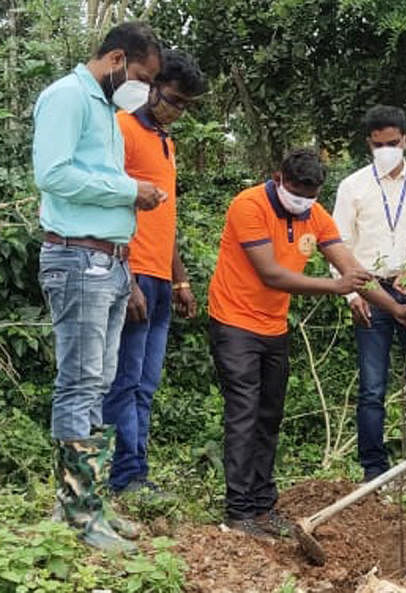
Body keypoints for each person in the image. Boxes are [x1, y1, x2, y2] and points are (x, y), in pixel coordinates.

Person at [208, 148, 406, 537]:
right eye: (297, 189)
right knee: (244, 412)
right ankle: (238, 512)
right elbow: (271, 274)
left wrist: (395, 309)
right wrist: (335, 287)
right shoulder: (248, 205)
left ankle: (263, 507)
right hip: (234, 322)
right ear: (278, 177)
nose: (302, 198)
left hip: (273, 327)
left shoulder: (314, 215)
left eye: (311, 192)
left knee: (269, 416)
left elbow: (353, 271)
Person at [33, 21, 165, 553]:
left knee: (100, 381)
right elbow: (53, 175)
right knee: (80, 382)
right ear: (115, 59)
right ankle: (78, 514)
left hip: (108, 261)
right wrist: (129, 189)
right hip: (75, 255)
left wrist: (126, 265)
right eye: (141, 76)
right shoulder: (67, 98)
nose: (145, 89)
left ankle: (91, 505)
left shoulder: (110, 112)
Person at [102, 49, 206, 500]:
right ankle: (122, 475)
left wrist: (179, 278)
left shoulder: (165, 140)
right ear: (151, 85)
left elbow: (166, 217)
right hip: (133, 272)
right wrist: (124, 275)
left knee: (146, 384)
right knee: (124, 380)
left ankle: (136, 473)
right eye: (174, 99)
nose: (177, 110)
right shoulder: (121, 129)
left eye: (186, 105)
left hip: (160, 277)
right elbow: (108, 203)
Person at [331, 105, 406, 497]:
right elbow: (338, 244)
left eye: (393, 143)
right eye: (379, 144)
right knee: (372, 386)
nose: (386, 150)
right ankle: (373, 470)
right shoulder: (353, 187)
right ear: (369, 144)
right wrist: (350, 292)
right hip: (370, 290)